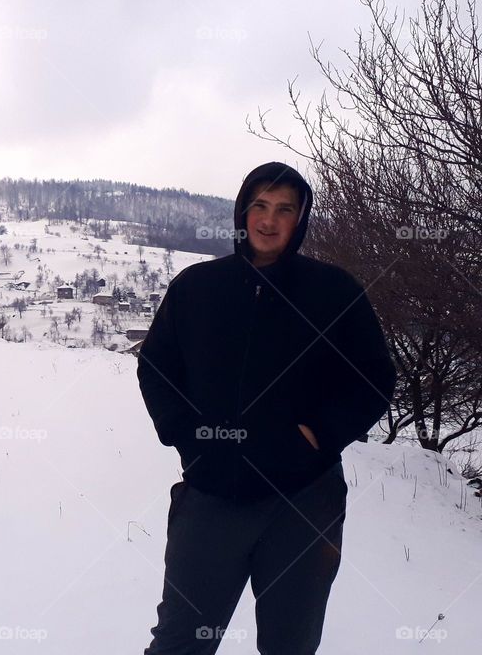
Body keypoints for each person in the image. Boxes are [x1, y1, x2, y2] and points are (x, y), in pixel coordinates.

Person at [137, 162, 397, 654]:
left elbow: (373, 377)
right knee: (181, 640)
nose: (269, 220)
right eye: (259, 205)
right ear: (242, 211)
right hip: (211, 496)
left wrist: (320, 433)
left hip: (303, 501)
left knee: (290, 644)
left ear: (300, 219)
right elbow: (156, 366)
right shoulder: (198, 287)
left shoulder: (334, 291)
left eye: (284, 209)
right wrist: (185, 435)